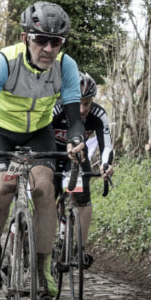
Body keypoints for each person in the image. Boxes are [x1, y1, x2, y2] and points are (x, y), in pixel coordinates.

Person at [0, 1, 86, 297]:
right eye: (40, 40)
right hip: (0, 130)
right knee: (3, 186)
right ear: (25, 38)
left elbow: (73, 119)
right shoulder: (5, 61)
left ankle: (43, 266)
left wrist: (75, 139)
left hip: (38, 134)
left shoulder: (66, 66)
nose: (47, 49)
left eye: (55, 42)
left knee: (44, 189)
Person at [52, 72, 114, 270]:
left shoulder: (98, 115)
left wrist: (106, 165)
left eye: (86, 103)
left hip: (78, 156)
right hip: (52, 153)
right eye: (78, 103)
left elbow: (107, 146)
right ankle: (46, 241)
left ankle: (80, 248)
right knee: (47, 195)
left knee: (82, 196)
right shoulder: (56, 110)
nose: (82, 109)